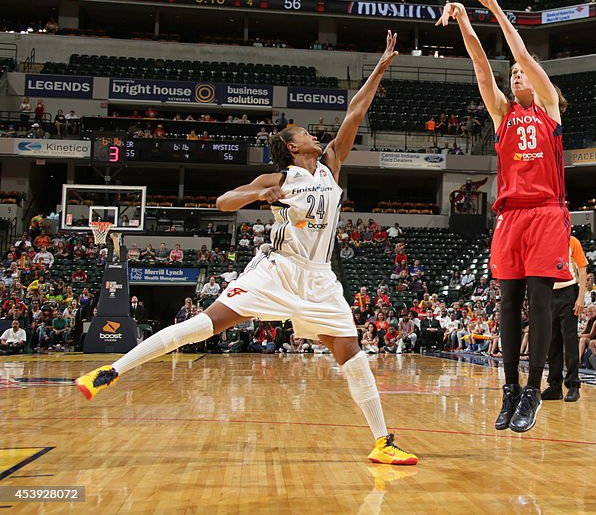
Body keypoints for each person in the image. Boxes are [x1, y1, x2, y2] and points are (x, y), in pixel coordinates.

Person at [74, 32, 417, 465]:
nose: (315, 134)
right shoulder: (277, 179)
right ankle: (111, 371)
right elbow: (223, 202)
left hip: (319, 278)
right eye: (305, 133)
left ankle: (383, 441)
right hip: (277, 268)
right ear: (292, 147)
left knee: (351, 352)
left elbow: (356, 110)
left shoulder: (330, 166)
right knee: (205, 324)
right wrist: (260, 198)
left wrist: (381, 68)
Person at [437, 0, 572, 434]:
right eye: (511, 74)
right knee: (507, 304)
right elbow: (480, 65)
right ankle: (509, 389)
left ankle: (534, 390)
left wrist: (495, 7)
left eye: (520, 73)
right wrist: (463, 22)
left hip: (547, 214)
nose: (515, 75)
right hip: (510, 216)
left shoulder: (549, 108)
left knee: (538, 303)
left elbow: (522, 55)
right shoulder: (503, 114)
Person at [541, 234, 588, 403]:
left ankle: (573, 385)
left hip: (568, 292)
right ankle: (554, 386)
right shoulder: (543, 241)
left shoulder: (572, 241)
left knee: (570, 343)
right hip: (548, 294)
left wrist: (581, 298)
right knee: (552, 343)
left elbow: (582, 268)